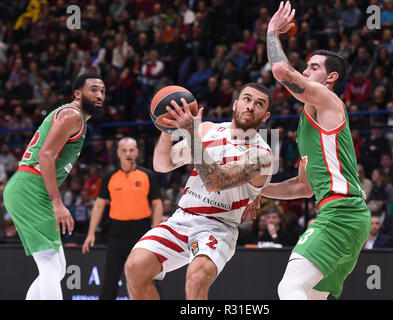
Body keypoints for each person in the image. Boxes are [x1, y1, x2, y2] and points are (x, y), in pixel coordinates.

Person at [258, 1, 370, 300]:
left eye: (314, 67)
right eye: (306, 65)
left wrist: (271, 31)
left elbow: (281, 70)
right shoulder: (307, 123)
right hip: (346, 214)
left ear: (330, 78)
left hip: (341, 212)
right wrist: (257, 189)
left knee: (290, 287)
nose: (305, 71)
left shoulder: (327, 100)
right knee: (309, 294)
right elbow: (302, 187)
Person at [124, 82, 273, 300]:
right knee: (135, 267)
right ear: (235, 104)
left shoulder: (262, 155)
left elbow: (216, 181)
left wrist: (192, 134)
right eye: (247, 99)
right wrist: (168, 129)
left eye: (259, 104)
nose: (251, 106)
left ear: (266, 116)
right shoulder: (208, 130)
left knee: (196, 279)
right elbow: (162, 164)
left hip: (218, 226)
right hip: (181, 218)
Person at [3, 73, 106, 300]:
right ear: (77, 94)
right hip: (31, 187)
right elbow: (45, 155)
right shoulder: (72, 114)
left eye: (103, 92)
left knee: (57, 267)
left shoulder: (75, 118)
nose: (99, 95)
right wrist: (57, 203)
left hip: (28, 187)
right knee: (49, 263)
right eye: (94, 90)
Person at [82, 137, 163, 300]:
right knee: (110, 279)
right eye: (124, 150)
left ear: (137, 153)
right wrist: (91, 233)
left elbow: (158, 204)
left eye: (132, 150)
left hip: (142, 232)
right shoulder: (110, 177)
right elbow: (98, 206)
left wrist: (155, 228)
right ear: (118, 153)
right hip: (117, 232)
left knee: (148, 277)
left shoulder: (147, 176)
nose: (128, 154)